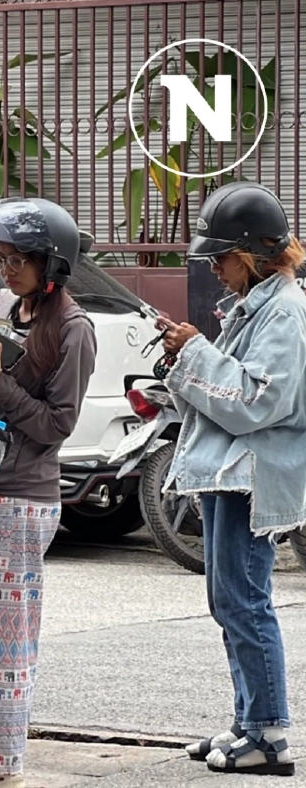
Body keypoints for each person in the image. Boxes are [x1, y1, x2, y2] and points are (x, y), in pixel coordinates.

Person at [0, 199, 98, 788]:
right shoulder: (1, 306)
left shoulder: (73, 330)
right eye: (0, 256)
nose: (5, 269)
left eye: (17, 259)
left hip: (25, 498)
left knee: (0, 639)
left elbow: (58, 426)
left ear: (50, 262)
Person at [159, 181, 306, 777]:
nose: (216, 268)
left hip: (252, 477)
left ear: (250, 253)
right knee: (227, 602)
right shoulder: (258, 305)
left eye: (221, 256)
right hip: (230, 473)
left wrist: (194, 351)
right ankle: (248, 721)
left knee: (245, 602)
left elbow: (256, 400)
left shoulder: (286, 312)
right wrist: (191, 353)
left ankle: (270, 735)